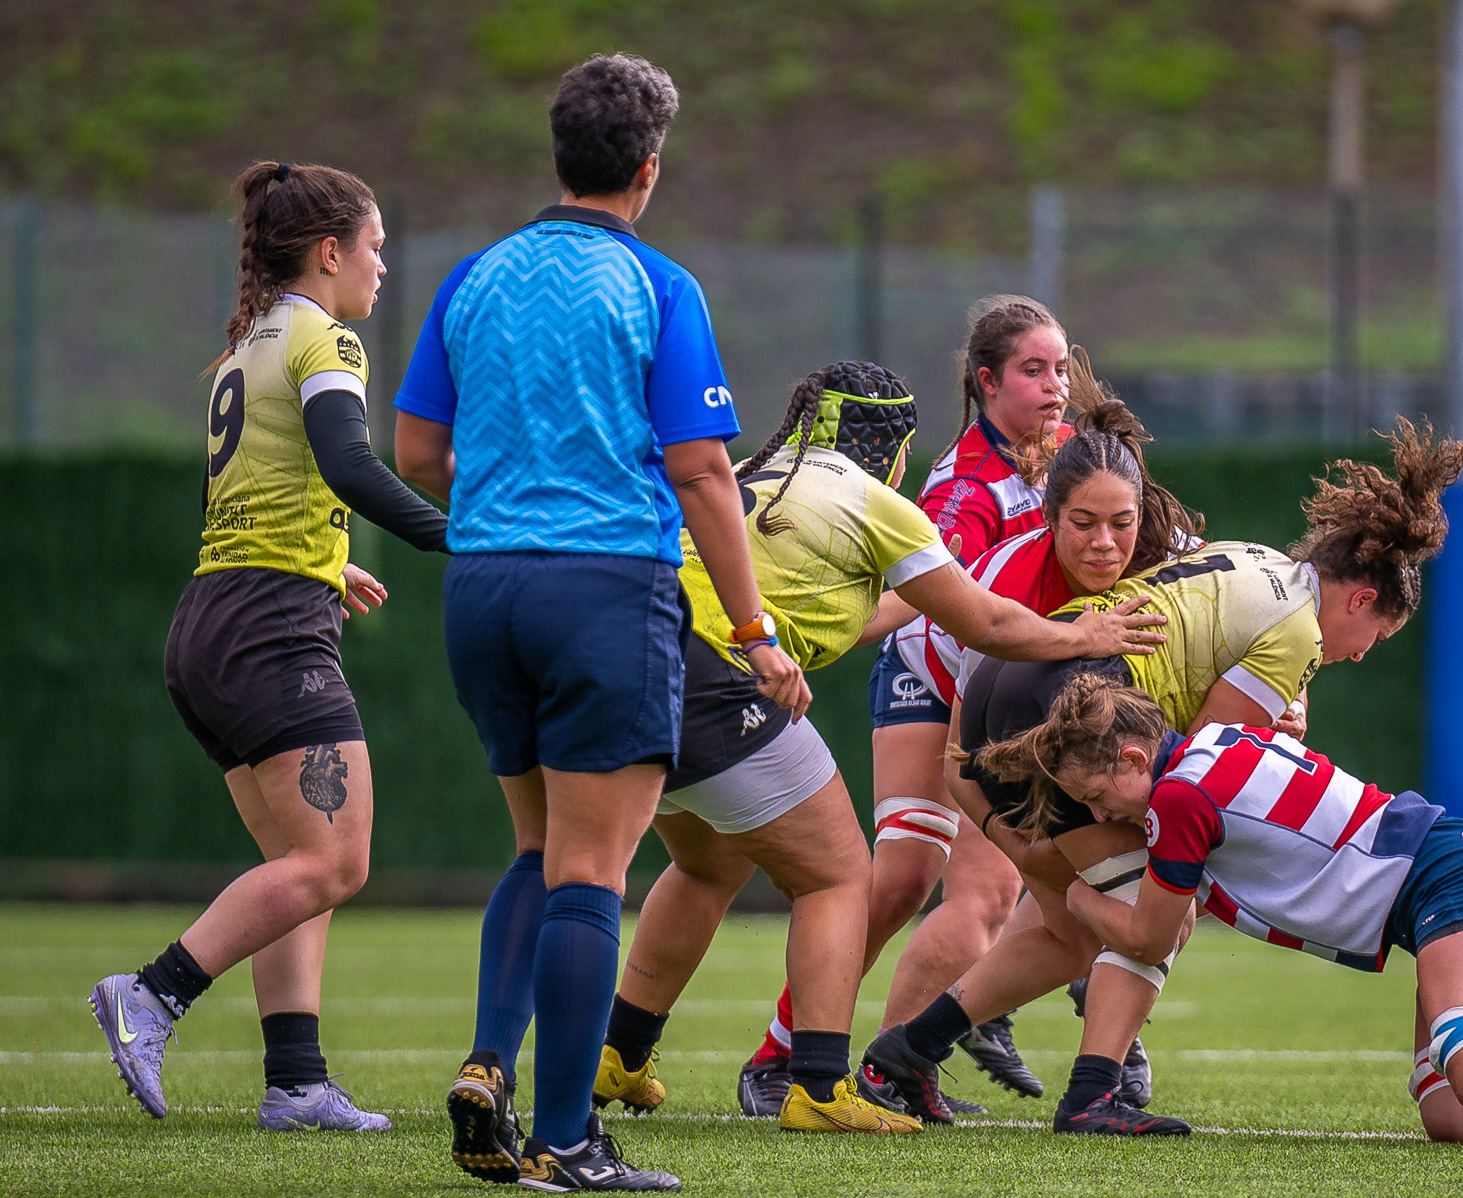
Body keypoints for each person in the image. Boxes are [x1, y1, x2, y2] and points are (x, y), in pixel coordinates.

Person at [393, 54, 804, 1192]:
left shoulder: (472, 277)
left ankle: (490, 1060)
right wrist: (759, 632)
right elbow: (703, 472)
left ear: (560, 156)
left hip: (482, 588)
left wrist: (507, 503)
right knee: (592, 868)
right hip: (604, 588)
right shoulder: (658, 285)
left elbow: (418, 454)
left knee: (537, 848)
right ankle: (569, 1143)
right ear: (646, 168)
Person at [586, 361, 1165, 1134]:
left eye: (1118, 524)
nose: (1105, 540)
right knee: (847, 876)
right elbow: (982, 635)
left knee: (698, 861)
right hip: (774, 676)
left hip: (617, 650)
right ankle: (816, 1080)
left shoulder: (757, 472)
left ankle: (613, 1054)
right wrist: (1082, 636)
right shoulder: (903, 503)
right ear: (894, 450)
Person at [863, 420, 1463, 1134]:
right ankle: (1092, 1095)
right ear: (1362, 600)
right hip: (1069, 701)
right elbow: (1200, 773)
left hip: (1015, 674)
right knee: (1158, 919)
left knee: (1066, 935)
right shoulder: (1299, 630)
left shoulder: (1254, 556)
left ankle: (901, 1057)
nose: (1362, 655)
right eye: (1378, 639)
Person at [973, 672, 1463, 1153]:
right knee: (1459, 1118)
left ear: (1133, 757)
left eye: (1096, 795)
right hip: (1455, 883)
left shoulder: (1180, 798)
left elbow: (1151, 933)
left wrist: (1078, 895)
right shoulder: (1215, 743)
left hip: (1455, 880)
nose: (1102, 815)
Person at [90, 160, 450, 1132]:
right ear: (329, 253)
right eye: (376, 245)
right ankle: (153, 994)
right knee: (336, 862)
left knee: (302, 862)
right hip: (269, 632)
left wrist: (325, 567)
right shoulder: (324, 337)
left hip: (214, 619)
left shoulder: (247, 342)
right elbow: (347, 461)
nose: (385, 263)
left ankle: (295, 1081)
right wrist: (459, 534)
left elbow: (244, 497)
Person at [741, 295, 1079, 1111]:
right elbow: (918, 604)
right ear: (986, 383)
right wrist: (789, 631)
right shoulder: (967, 488)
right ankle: (792, 1061)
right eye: (1035, 370)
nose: (1056, 386)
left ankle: (895, 1065)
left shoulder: (1069, 457)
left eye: (1062, 368)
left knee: (964, 888)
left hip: (1006, 679)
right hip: (932, 674)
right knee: (924, 884)